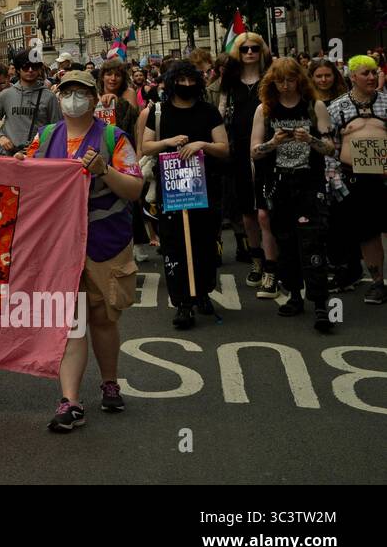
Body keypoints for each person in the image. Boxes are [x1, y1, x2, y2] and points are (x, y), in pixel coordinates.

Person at [14, 71, 144, 431]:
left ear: (94, 97)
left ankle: (110, 383)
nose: (75, 98)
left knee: (103, 319)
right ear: (60, 98)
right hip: (58, 248)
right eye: (68, 92)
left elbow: (134, 189)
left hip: (105, 244)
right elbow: (21, 177)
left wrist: (105, 171)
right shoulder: (44, 138)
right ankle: (70, 401)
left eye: (82, 92)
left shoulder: (113, 138)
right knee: (71, 323)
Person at [142, 61, 230, 328]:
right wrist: (168, 142)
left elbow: (224, 148)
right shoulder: (158, 111)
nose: (187, 86)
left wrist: (202, 144)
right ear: (171, 83)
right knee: (175, 245)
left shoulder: (208, 111)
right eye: (182, 80)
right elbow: (145, 146)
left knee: (203, 243)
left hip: (205, 188)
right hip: (172, 189)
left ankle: (202, 292)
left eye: (192, 81)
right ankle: (182, 302)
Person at [249, 59, 336, 329]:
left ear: (299, 80)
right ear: (272, 83)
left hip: (308, 184)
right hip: (278, 184)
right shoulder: (265, 110)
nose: (285, 86)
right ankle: (294, 295)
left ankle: (320, 303)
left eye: (290, 80)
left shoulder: (314, 107)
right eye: (280, 81)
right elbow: (253, 150)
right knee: (285, 242)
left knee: (312, 242)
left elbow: (330, 147)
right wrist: (272, 143)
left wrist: (309, 139)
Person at [326, 55, 387, 305]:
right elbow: (331, 148)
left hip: (385, 178)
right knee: (368, 233)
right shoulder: (337, 107)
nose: (371, 77)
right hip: (357, 179)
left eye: (374, 72)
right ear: (353, 77)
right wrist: (335, 182)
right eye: (365, 73)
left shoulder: (386, 102)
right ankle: (377, 283)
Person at [219, 32, 274, 292]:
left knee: (268, 210)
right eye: (244, 49)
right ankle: (256, 261)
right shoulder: (230, 81)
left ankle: (275, 261)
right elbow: (220, 112)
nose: (250, 53)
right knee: (248, 211)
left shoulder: (271, 77)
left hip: (270, 149)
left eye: (255, 48)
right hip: (239, 149)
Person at [0, 49, 62, 155]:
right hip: (9, 156)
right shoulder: (6, 95)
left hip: (37, 158)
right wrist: (0, 136)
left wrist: (43, 148)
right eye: (26, 67)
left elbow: (58, 128)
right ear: (18, 69)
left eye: (35, 66)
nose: (30, 70)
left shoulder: (49, 97)